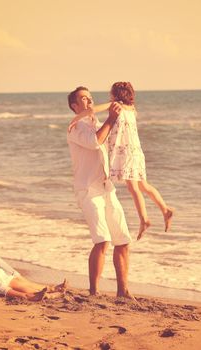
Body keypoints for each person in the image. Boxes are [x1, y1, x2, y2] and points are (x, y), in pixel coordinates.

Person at [68, 82, 173, 239]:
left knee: (133, 188)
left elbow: (92, 110)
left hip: (126, 153)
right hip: (136, 152)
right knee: (144, 185)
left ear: (115, 95)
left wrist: (76, 118)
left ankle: (144, 219)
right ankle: (165, 209)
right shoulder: (132, 110)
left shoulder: (115, 105)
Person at [66, 86, 134, 299]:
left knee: (122, 239)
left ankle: (123, 291)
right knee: (102, 240)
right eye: (83, 99)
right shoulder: (75, 126)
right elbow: (96, 141)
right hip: (88, 190)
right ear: (74, 106)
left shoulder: (96, 122)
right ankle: (94, 292)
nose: (89, 101)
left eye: (91, 98)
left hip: (106, 188)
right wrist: (111, 118)